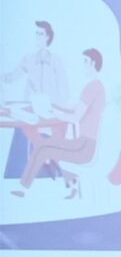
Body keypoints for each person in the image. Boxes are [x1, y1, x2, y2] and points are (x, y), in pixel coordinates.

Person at [14, 49, 105, 199]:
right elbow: (75, 108)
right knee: (45, 146)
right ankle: (71, 185)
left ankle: (23, 188)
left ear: (93, 64)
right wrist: (54, 105)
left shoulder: (92, 87)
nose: (83, 65)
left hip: (84, 147)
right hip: (84, 144)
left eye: (85, 61)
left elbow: (75, 117)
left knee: (44, 149)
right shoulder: (97, 86)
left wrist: (56, 114)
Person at [2, 21, 70, 182]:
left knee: (57, 130)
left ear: (48, 37)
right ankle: (39, 162)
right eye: (36, 33)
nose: (37, 37)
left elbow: (64, 88)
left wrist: (58, 107)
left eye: (40, 34)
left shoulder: (56, 61)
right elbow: (12, 77)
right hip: (31, 108)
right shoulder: (28, 59)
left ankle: (49, 162)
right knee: (23, 127)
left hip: (50, 110)